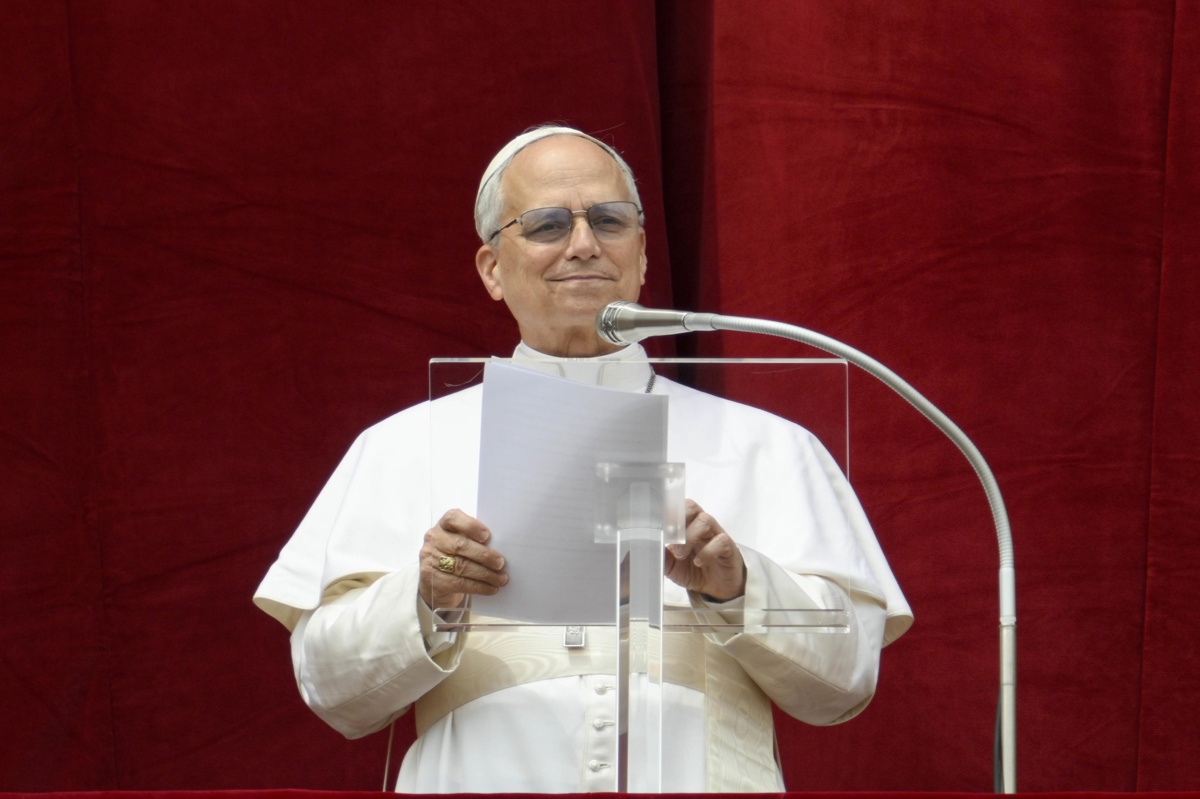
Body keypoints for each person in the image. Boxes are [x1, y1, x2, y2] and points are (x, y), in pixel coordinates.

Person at [253, 126, 912, 792]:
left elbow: (846, 680)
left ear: (643, 254)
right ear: (491, 269)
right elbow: (330, 688)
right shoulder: (399, 446)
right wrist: (428, 595)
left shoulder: (769, 445)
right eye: (545, 225)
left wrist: (738, 586)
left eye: (608, 220)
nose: (584, 244)